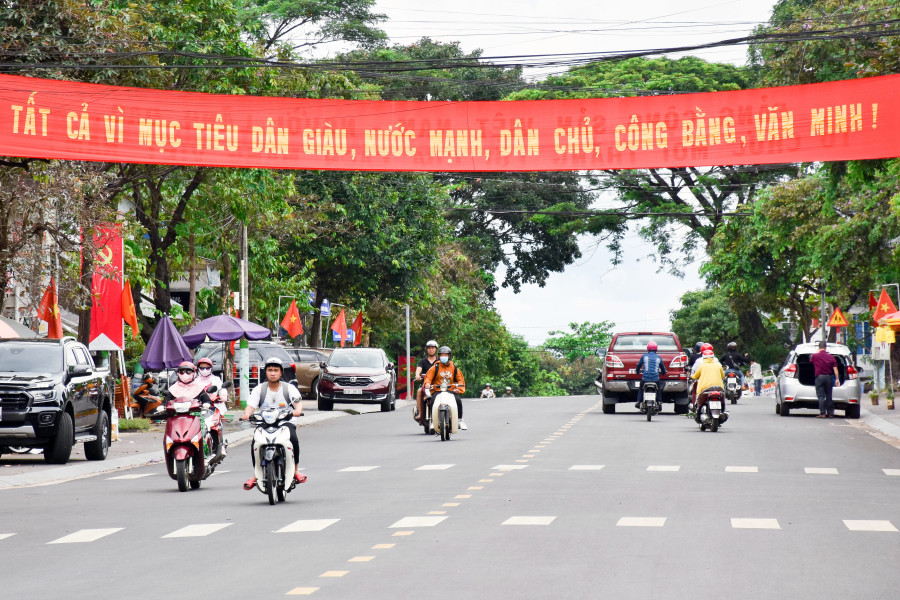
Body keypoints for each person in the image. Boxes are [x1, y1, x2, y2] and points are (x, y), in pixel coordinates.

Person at [240, 357, 307, 489]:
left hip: (285, 422)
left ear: (281, 373)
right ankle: (256, 474)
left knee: (293, 438)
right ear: (266, 372)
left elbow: (298, 404)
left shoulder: (289, 388)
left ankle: (295, 471)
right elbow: (250, 406)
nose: (273, 373)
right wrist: (246, 414)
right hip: (264, 422)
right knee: (256, 443)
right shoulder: (259, 389)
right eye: (270, 370)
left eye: (276, 370)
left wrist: (297, 411)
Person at [423, 345, 467, 430]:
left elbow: (460, 380)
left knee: (458, 400)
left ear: (449, 356)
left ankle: (460, 420)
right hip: (438, 390)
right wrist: (427, 383)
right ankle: (433, 421)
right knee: (432, 400)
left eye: (446, 355)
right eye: (442, 355)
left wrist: (459, 389)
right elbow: (428, 377)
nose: (444, 357)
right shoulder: (435, 367)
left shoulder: (454, 368)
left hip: (451, 390)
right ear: (439, 356)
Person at [690, 343, 726, 419]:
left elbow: (694, 375)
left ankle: (695, 406)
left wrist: (691, 376)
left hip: (705, 388)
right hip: (719, 388)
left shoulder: (700, 363)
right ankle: (722, 411)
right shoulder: (717, 363)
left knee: (696, 393)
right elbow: (723, 375)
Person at [811, 341, 841, 418]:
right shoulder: (831, 357)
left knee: (821, 396)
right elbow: (835, 369)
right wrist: (837, 379)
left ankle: (823, 413)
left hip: (819, 377)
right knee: (829, 395)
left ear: (818, 347)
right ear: (826, 348)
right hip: (829, 377)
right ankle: (830, 413)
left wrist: (817, 352)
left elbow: (811, 361)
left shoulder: (815, 356)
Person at [414, 340, 439, 425]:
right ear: (426, 350)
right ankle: (421, 414)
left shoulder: (439, 361)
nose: (431, 350)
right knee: (419, 391)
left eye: (432, 348)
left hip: (437, 384)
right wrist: (417, 375)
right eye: (429, 348)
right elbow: (418, 369)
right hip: (425, 384)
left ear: (436, 349)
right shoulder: (422, 361)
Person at [635, 341, 667, 409]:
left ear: (647, 348)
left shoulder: (644, 357)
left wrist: (637, 372)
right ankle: (659, 401)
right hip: (655, 379)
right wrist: (664, 373)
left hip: (645, 378)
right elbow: (663, 368)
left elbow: (638, 365)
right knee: (658, 389)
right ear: (656, 349)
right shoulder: (659, 358)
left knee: (641, 388)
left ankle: (638, 401)